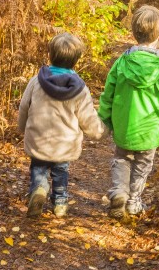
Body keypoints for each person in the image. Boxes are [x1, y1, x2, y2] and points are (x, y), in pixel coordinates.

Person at [99, 5, 159, 220]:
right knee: (142, 164)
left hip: (124, 127)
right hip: (150, 131)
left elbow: (107, 96)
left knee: (121, 159)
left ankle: (118, 192)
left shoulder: (122, 63)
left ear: (134, 33)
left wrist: (103, 120)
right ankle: (133, 203)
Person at [18, 33, 106, 218]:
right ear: (76, 60)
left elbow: (24, 106)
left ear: (50, 54)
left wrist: (22, 127)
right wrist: (100, 132)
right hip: (64, 144)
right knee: (60, 171)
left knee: (38, 167)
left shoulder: (36, 81)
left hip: (38, 138)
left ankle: (39, 189)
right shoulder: (80, 89)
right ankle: (59, 203)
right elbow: (87, 117)